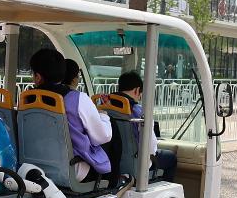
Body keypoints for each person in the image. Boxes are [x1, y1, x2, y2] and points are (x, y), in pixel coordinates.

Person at [29, 48, 111, 181]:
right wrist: (104, 116)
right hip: (72, 170)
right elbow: (102, 137)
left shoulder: (26, 101)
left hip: (33, 168)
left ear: (38, 77)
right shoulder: (78, 99)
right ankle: (114, 181)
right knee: (111, 133)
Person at [114, 71, 176, 182]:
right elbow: (151, 148)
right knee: (170, 157)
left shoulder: (104, 106)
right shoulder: (140, 112)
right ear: (137, 90)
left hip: (114, 163)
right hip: (135, 165)